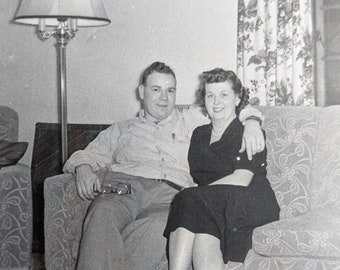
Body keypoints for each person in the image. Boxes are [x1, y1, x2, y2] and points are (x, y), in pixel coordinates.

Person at [63, 62, 265, 270]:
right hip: (122, 190)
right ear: (142, 92)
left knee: (159, 228)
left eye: (170, 91)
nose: (164, 98)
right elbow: (87, 155)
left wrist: (251, 122)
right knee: (102, 214)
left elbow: (227, 106)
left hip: (170, 196)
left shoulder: (191, 120)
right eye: (156, 90)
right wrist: (83, 168)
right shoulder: (121, 129)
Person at [164, 68, 280, 270]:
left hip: (251, 201)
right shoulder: (199, 134)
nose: (216, 102)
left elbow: (243, 178)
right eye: (210, 95)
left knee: (190, 199)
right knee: (200, 225)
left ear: (237, 99)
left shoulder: (249, 132)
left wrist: (196, 194)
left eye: (223, 95)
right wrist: (198, 194)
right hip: (213, 204)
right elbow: (199, 179)